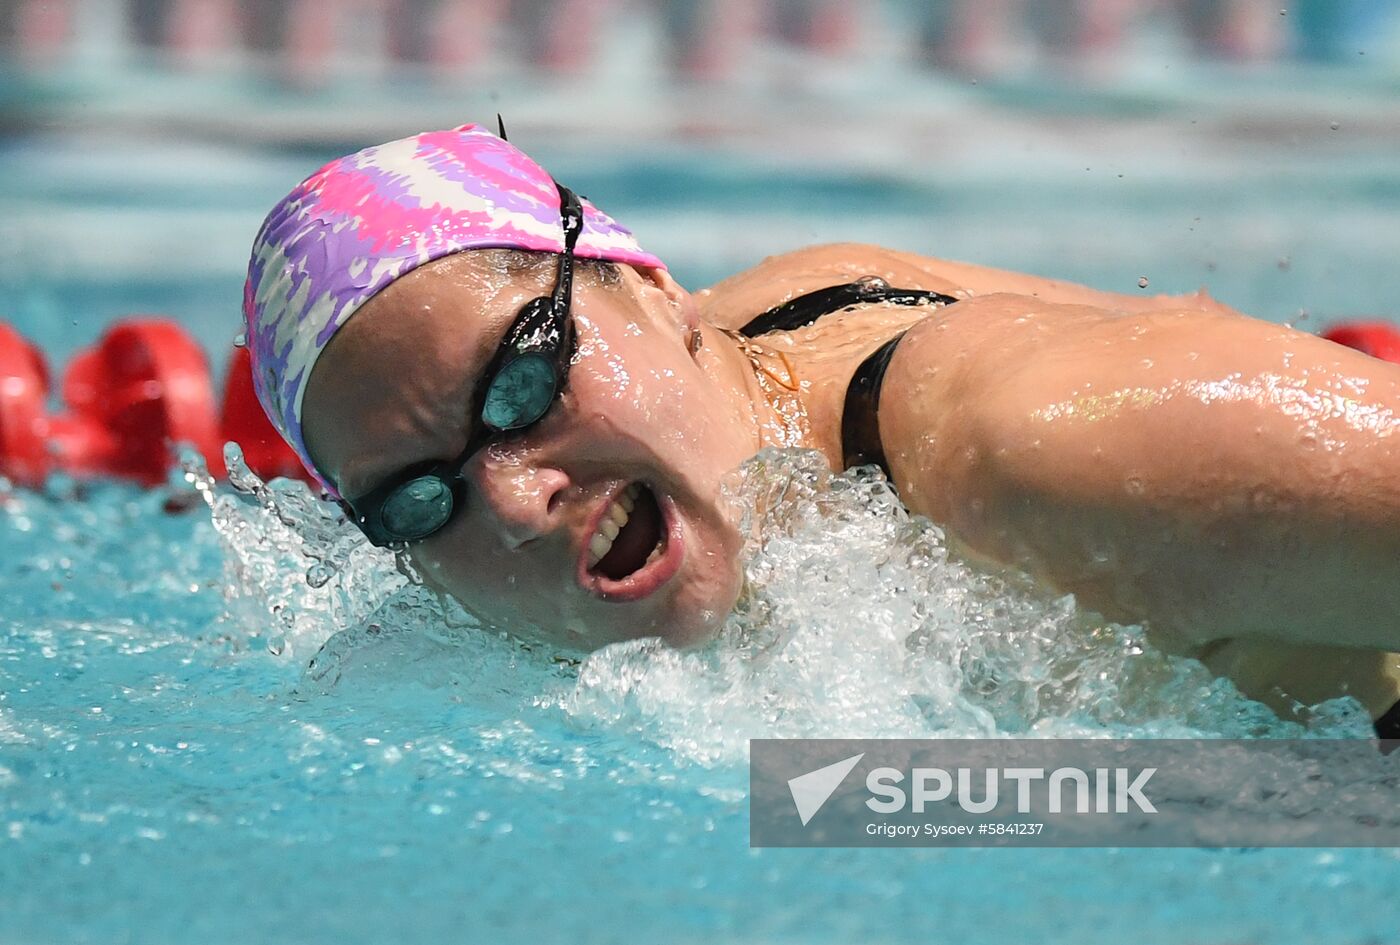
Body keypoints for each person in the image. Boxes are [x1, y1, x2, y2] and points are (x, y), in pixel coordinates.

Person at [244, 123, 1400, 730]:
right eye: (416, 501)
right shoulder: (737, 376)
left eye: (518, 385)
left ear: (650, 288)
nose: (505, 504)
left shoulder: (1038, 453)